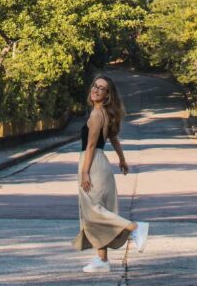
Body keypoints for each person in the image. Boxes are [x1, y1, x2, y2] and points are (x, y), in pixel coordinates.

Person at [72, 73, 149, 274]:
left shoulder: (97, 115)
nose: (95, 90)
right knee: (97, 213)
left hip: (93, 164)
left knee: (94, 212)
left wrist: (85, 172)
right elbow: (113, 138)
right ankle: (102, 260)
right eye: (95, 85)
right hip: (100, 164)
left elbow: (90, 146)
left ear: (108, 95)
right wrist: (122, 160)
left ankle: (135, 227)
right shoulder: (104, 113)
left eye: (101, 88)